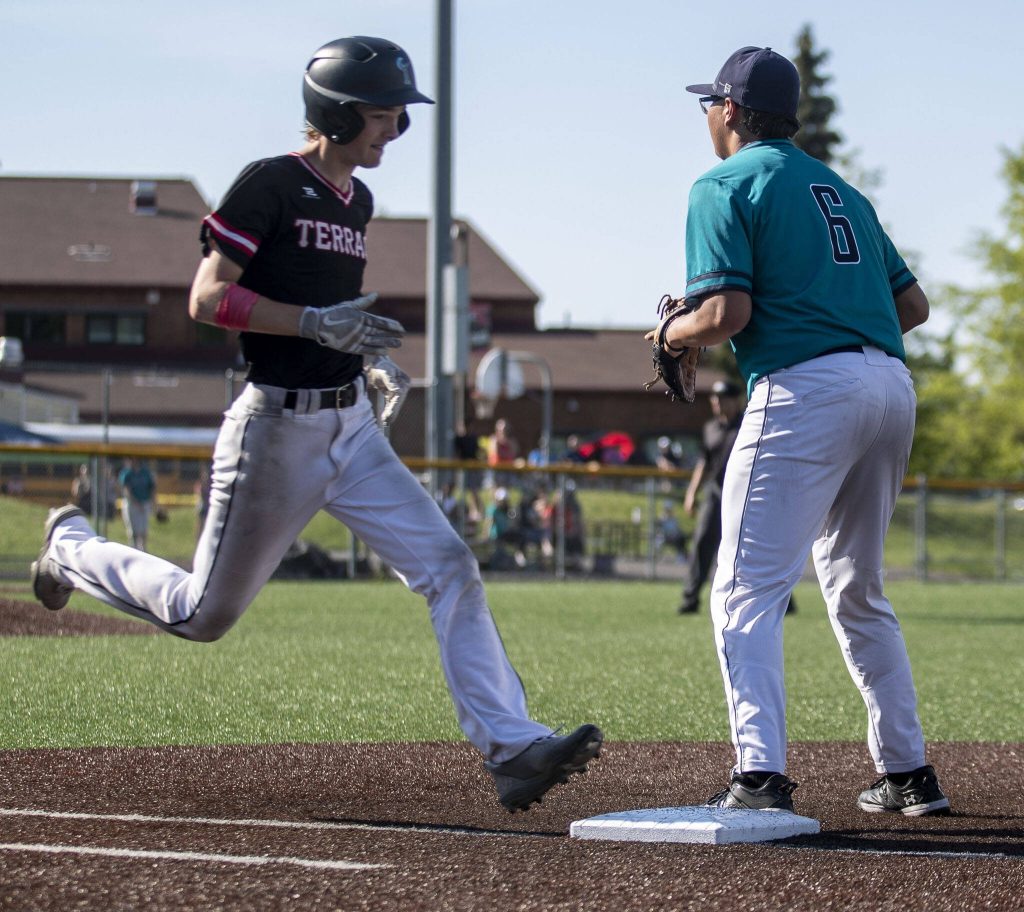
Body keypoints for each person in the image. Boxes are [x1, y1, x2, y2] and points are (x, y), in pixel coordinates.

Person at [29, 36, 601, 813]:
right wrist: (311, 324)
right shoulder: (270, 184)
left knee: (451, 567)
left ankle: (512, 748)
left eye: (399, 119)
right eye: (383, 116)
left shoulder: (356, 202)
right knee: (203, 616)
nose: (393, 131)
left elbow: (332, 319)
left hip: (352, 428)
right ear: (333, 114)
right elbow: (205, 299)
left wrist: (362, 360)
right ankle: (70, 548)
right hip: (275, 432)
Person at [652, 46, 947, 816]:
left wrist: (675, 333)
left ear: (730, 114)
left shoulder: (723, 181)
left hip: (806, 388)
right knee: (858, 587)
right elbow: (913, 310)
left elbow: (726, 316)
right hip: (889, 385)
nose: (708, 119)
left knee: (745, 588)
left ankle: (759, 776)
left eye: (710, 107)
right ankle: (909, 774)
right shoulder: (841, 189)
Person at [676, 380, 796, 615]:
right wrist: (692, 493)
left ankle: (785, 601)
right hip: (716, 492)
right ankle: (690, 599)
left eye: (723, 399)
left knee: (758, 548)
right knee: (702, 542)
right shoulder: (711, 428)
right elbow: (704, 462)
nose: (718, 404)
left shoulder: (749, 424)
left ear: (736, 401)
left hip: (747, 493)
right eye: (715, 399)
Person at [118, 457, 156, 552]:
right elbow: (126, 490)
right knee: (133, 531)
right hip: (131, 504)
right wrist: (136, 503)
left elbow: (152, 488)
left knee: (143, 531)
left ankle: (143, 550)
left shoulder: (145, 472)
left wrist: (153, 503)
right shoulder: (127, 473)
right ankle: (133, 550)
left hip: (144, 503)